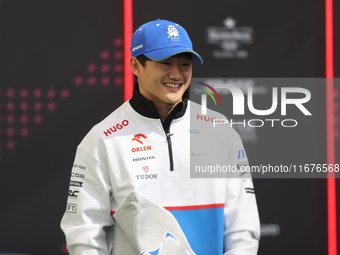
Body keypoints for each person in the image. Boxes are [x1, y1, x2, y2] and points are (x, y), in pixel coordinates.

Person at [61, 19, 260, 255]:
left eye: (185, 64)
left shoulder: (220, 131)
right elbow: (84, 234)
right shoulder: (102, 139)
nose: (176, 74)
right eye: (165, 63)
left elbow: (243, 230)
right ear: (136, 66)